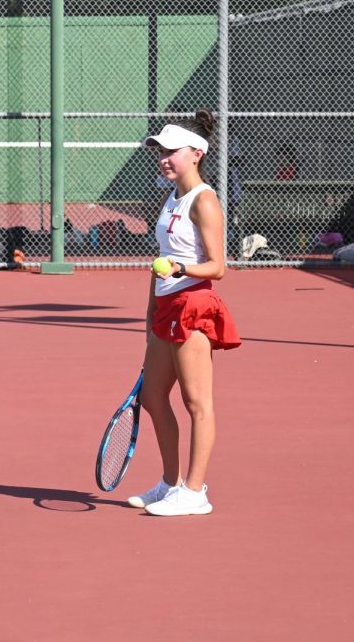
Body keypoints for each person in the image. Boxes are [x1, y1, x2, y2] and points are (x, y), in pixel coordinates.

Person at [130, 110, 241, 517]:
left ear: (195, 153)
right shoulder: (171, 197)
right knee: (152, 397)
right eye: (160, 150)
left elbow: (218, 266)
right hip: (166, 306)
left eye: (171, 151)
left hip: (194, 304)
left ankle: (195, 492)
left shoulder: (205, 199)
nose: (163, 157)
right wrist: (150, 312)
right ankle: (171, 482)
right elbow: (162, 258)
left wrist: (180, 270)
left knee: (198, 403)